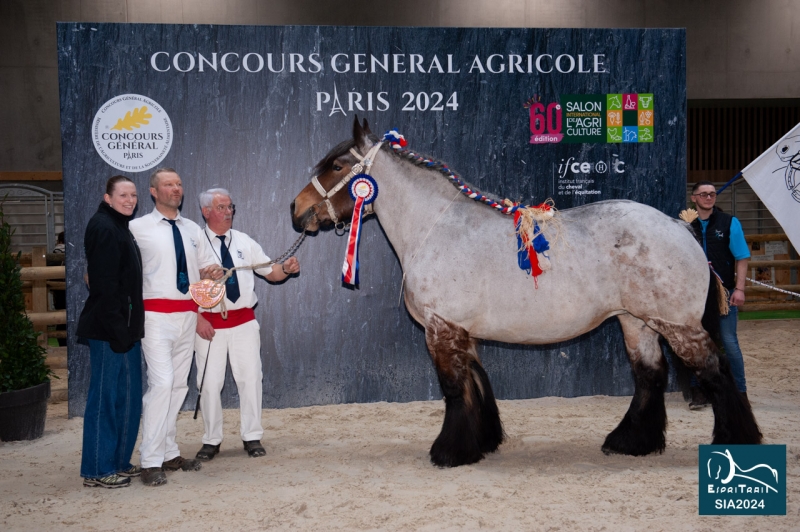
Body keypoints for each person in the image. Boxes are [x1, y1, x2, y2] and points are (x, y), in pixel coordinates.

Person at [193, 188, 300, 461]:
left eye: (230, 207)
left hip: (243, 322)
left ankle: (252, 436)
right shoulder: (194, 243)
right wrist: (198, 318)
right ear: (206, 211)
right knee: (209, 383)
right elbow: (183, 286)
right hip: (209, 324)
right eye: (221, 208)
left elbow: (272, 273)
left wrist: (286, 269)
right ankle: (211, 439)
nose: (228, 212)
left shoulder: (244, 241)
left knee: (251, 378)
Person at [129, 168, 220, 486]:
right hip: (154, 316)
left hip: (188, 315)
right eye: (168, 184)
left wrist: (212, 271)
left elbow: (207, 267)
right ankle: (149, 460)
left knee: (179, 386)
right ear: (153, 192)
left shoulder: (194, 229)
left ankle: (168, 452)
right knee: (163, 383)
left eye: (179, 184)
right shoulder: (136, 228)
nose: (176, 189)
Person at [77, 175, 144, 489]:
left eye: (133, 195)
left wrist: (128, 329)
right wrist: (118, 330)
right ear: (107, 198)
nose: (129, 200)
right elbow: (104, 287)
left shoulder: (121, 227)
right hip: (108, 330)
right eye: (122, 195)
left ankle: (118, 461)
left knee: (126, 398)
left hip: (125, 328)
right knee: (105, 399)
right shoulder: (104, 228)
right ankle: (97, 468)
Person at [688, 180, 751, 409]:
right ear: (693, 198)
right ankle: (699, 392)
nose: (708, 197)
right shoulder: (685, 224)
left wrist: (740, 289)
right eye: (703, 194)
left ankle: (740, 392)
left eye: (712, 194)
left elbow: (742, 257)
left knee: (728, 342)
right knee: (697, 343)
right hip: (694, 297)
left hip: (725, 293)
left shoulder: (729, 223)